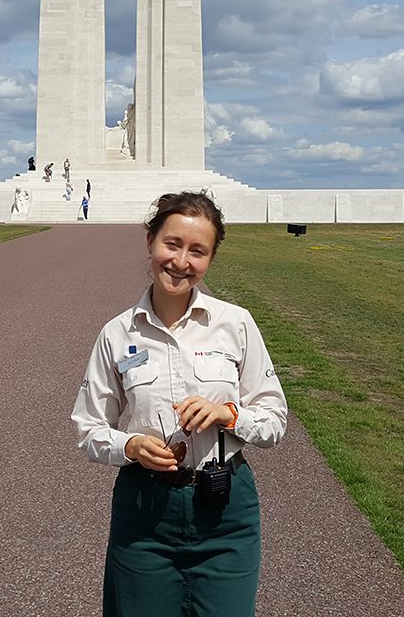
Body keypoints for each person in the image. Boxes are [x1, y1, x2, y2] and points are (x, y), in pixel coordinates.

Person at [71, 192, 287, 617]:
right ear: (151, 240)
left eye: (198, 251)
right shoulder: (116, 334)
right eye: (172, 244)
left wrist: (230, 415)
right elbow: (88, 428)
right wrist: (131, 447)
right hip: (145, 511)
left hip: (226, 508)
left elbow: (275, 420)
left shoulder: (235, 323)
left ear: (210, 259)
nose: (181, 261)